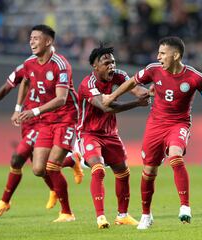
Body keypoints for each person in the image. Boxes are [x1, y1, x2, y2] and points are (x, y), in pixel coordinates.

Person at [102, 36, 202, 230]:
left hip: (179, 124)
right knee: (149, 172)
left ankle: (185, 206)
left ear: (176, 55)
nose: (158, 57)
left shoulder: (195, 77)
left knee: (175, 155)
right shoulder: (153, 70)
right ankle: (146, 215)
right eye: (158, 53)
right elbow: (132, 82)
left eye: (163, 53)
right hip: (155, 125)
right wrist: (113, 96)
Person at [0, 62, 83, 217]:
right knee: (38, 168)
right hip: (28, 120)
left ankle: (5, 201)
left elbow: (62, 96)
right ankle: (69, 164)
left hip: (43, 119)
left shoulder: (55, 67)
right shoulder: (27, 67)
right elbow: (10, 86)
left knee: (17, 157)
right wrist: (13, 109)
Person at [77, 44, 150, 229]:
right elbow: (106, 107)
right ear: (95, 66)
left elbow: (138, 89)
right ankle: (101, 217)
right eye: (106, 62)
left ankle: (122, 216)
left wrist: (151, 91)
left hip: (110, 134)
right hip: (89, 133)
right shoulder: (88, 84)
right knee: (99, 168)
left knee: (123, 173)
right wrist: (136, 103)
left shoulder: (119, 75)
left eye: (113, 62)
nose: (112, 66)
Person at [14, 24, 78, 222]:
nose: (31, 41)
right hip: (47, 120)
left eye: (36, 38)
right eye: (30, 38)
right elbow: (24, 81)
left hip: (66, 118)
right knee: (38, 169)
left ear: (48, 41)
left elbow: (61, 98)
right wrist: (18, 108)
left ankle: (67, 213)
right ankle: (72, 161)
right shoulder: (30, 63)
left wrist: (33, 111)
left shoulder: (60, 64)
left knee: (51, 167)